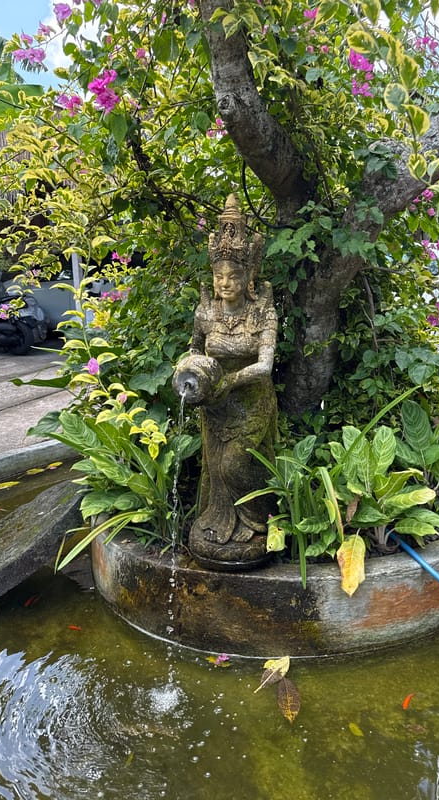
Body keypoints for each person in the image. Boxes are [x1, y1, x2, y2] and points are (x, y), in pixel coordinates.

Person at [178, 194, 277, 569]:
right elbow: (193, 348)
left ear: (248, 276)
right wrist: (188, 368)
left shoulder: (262, 312)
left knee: (235, 465)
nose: (224, 283)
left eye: (233, 276)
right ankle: (218, 521)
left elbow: (265, 366)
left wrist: (231, 380)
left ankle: (259, 522)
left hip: (251, 400)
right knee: (214, 467)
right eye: (219, 276)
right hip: (215, 403)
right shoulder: (206, 312)